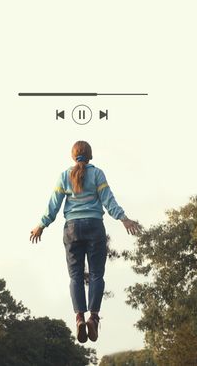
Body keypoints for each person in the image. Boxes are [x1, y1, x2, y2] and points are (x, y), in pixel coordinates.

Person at [30, 140, 141, 343]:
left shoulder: (65, 176)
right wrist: (123, 218)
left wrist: (41, 225)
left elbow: (53, 205)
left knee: (75, 276)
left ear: (73, 157)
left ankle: (79, 318)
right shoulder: (97, 174)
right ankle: (93, 317)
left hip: (72, 229)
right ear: (90, 156)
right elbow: (108, 199)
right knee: (97, 274)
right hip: (94, 226)